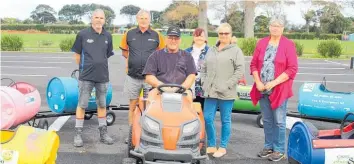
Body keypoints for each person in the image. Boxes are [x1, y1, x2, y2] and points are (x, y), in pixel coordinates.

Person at [250, 17, 298, 161]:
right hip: (262, 88)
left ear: (283, 28)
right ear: (269, 27)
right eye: (273, 25)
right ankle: (268, 146)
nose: (275, 28)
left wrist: (273, 83)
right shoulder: (262, 43)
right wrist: (258, 81)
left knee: (279, 121)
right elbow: (253, 65)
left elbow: (292, 69)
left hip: (279, 90)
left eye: (278, 26)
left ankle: (279, 149)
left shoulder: (288, 45)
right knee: (267, 120)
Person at [119, 9, 165, 143]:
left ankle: (149, 135)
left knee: (150, 106)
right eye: (141, 18)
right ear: (137, 19)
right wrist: (131, 63)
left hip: (150, 78)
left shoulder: (156, 35)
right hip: (133, 76)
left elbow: (162, 54)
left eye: (146, 18)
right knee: (133, 105)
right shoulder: (129, 33)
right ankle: (131, 134)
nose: (143, 21)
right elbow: (124, 52)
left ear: (150, 20)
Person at [200, 23, 245, 158]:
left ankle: (223, 146)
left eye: (226, 33)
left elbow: (239, 71)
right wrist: (203, 81)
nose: (224, 36)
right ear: (218, 35)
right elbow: (204, 68)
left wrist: (227, 84)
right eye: (221, 33)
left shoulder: (236, 51)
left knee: (225, 120)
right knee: (207, 118)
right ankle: (212, 144)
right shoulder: (211, 50)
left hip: (226, 92)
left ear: (231, 34)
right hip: (210, 91)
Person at [71, 9, 114, 147]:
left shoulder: (108, 35)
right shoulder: (83, 34)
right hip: (86, 77)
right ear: (91, 19)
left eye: (101, 18)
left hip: (102, 76)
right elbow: (77, 56)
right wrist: (86, 67)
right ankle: (78, 134)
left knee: (102, 105)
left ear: (104, 20)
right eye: (96, 17)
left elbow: (106, 54)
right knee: (82, 105)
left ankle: (103, 134)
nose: (99, 20)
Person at [142, 26, 197, 98]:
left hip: (181, 89)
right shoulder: (155, 55)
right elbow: (149, 76)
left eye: (176, 38)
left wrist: (182, 87)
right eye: (170, 38)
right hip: (159, 89)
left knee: (188, 99)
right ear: (165, 39)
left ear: (180, 40)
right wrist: (163, 87)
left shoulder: (187, 56)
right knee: (152, 98)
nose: (173, 41)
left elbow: (191, 75)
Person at [185, 28, 209, 109]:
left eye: (201, 36)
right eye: (197, 36)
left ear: (205, 38)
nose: (199, 38)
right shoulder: (186, 52)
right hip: (188, 86)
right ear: (193, 37)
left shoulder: (210, 52)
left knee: (201, 111)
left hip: (203, 87)